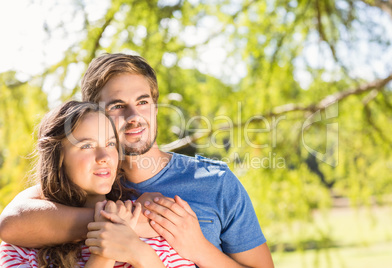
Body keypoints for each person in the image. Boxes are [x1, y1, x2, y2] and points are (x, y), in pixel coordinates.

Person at [0, 53, 274, 267]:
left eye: (143, 102)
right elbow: (12, 222)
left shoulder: (215, 181)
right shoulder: (86, 180)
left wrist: (200, 249)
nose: (134, 116)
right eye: (117, 106)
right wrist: (122, 223)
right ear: (94, 115)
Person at [0, 101, 195, 268]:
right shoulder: (23, 246)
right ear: (58, 158)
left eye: (110, 144)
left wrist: (140, 253)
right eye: (87, 146)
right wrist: (104, 254)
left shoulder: (157, 235)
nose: (104, 157)